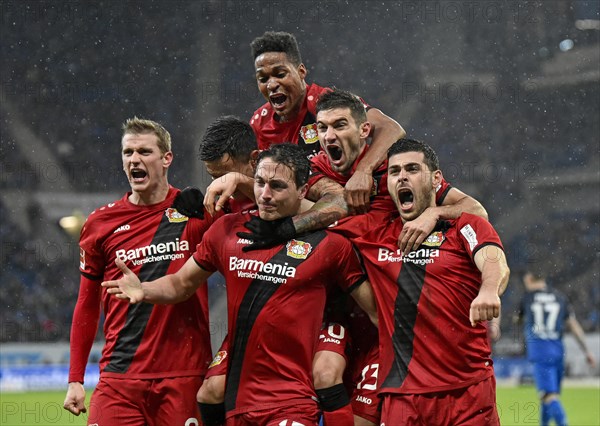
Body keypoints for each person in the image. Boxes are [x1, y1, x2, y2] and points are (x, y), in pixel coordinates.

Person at [103, 143, 378, 426]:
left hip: (293, 401)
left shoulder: (331, 245)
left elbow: (375, 312)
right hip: (238, 402)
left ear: (302, 191)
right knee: (210, 392)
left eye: (277, 186)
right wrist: (144, 289)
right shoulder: (227, 231)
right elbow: (180, 284)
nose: (265, 195)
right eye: (259, 183)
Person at [63, 118, 214, 425]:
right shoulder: (100, 224)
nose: (134, 160)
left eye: (144, 152)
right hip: (120, 377)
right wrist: (76, 377)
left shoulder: (195, 212)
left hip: (183, 374)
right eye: (128, 152)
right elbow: (87, 304)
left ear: (166, 159)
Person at [353, 138, 510, 425]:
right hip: (404, 397)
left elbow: (492, 260)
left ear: (436, 179)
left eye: (412, 169)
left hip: (469, 392)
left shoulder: (463, 225)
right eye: (394, 171)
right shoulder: (372, 234)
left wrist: (488, 290)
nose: (402, 176)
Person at [249, 30, 405, 214]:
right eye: (263, 78)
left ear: (301, 71)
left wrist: (363, 171)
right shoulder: (259, 123)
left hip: (353, 205)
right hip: (300, 207)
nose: (271, 84)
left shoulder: (325, 102)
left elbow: (392, 128)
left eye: (280, 74)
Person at [517, 271, 596, 426]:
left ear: (530, 278)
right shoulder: (560, 298)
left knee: (549, 396)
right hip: (558, 350)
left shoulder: (527, 298)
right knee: (547, 396)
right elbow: (574, 327)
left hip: (540, 350)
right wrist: (586, 351)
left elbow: (518, 320)